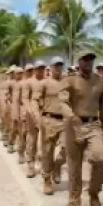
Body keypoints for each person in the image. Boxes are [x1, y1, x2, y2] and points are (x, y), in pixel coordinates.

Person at [59, 51, 103, 206]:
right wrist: (71, 117)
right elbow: (63, 102)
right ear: (79, 61)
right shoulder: (70, 80)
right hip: (74, 125)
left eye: (91, 59)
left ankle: (94, 191)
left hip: (94, 124)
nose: (89, 62)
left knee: (100, 159)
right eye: (85, 59)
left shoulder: (100, 81)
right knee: (74, 169)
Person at [36, 57, 68, 195]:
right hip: (49, 120)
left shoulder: (67, 83)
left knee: (67, 148)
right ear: (51, 67)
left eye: (60, 65)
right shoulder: (44, 83)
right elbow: (35, 101)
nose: (58, 68)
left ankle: (58, 165)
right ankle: (47, 179)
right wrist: (39, 118)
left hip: (65, 121)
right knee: (47, 151)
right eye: (56, 65)